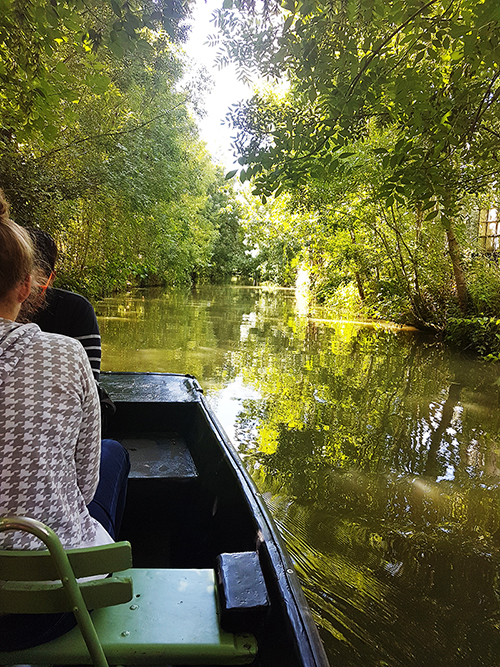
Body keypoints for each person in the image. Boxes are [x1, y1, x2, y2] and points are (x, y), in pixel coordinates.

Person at [0, 189, 129, 650]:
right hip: (52, 608)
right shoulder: (66, 352)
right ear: (26, 288)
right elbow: (85, 485)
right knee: (112, 458)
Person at [24, 228, 101, 382]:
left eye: (35, 290)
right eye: (18, 285)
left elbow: (88, 384)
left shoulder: (77, 311)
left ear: (51, 278)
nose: (24, 298)